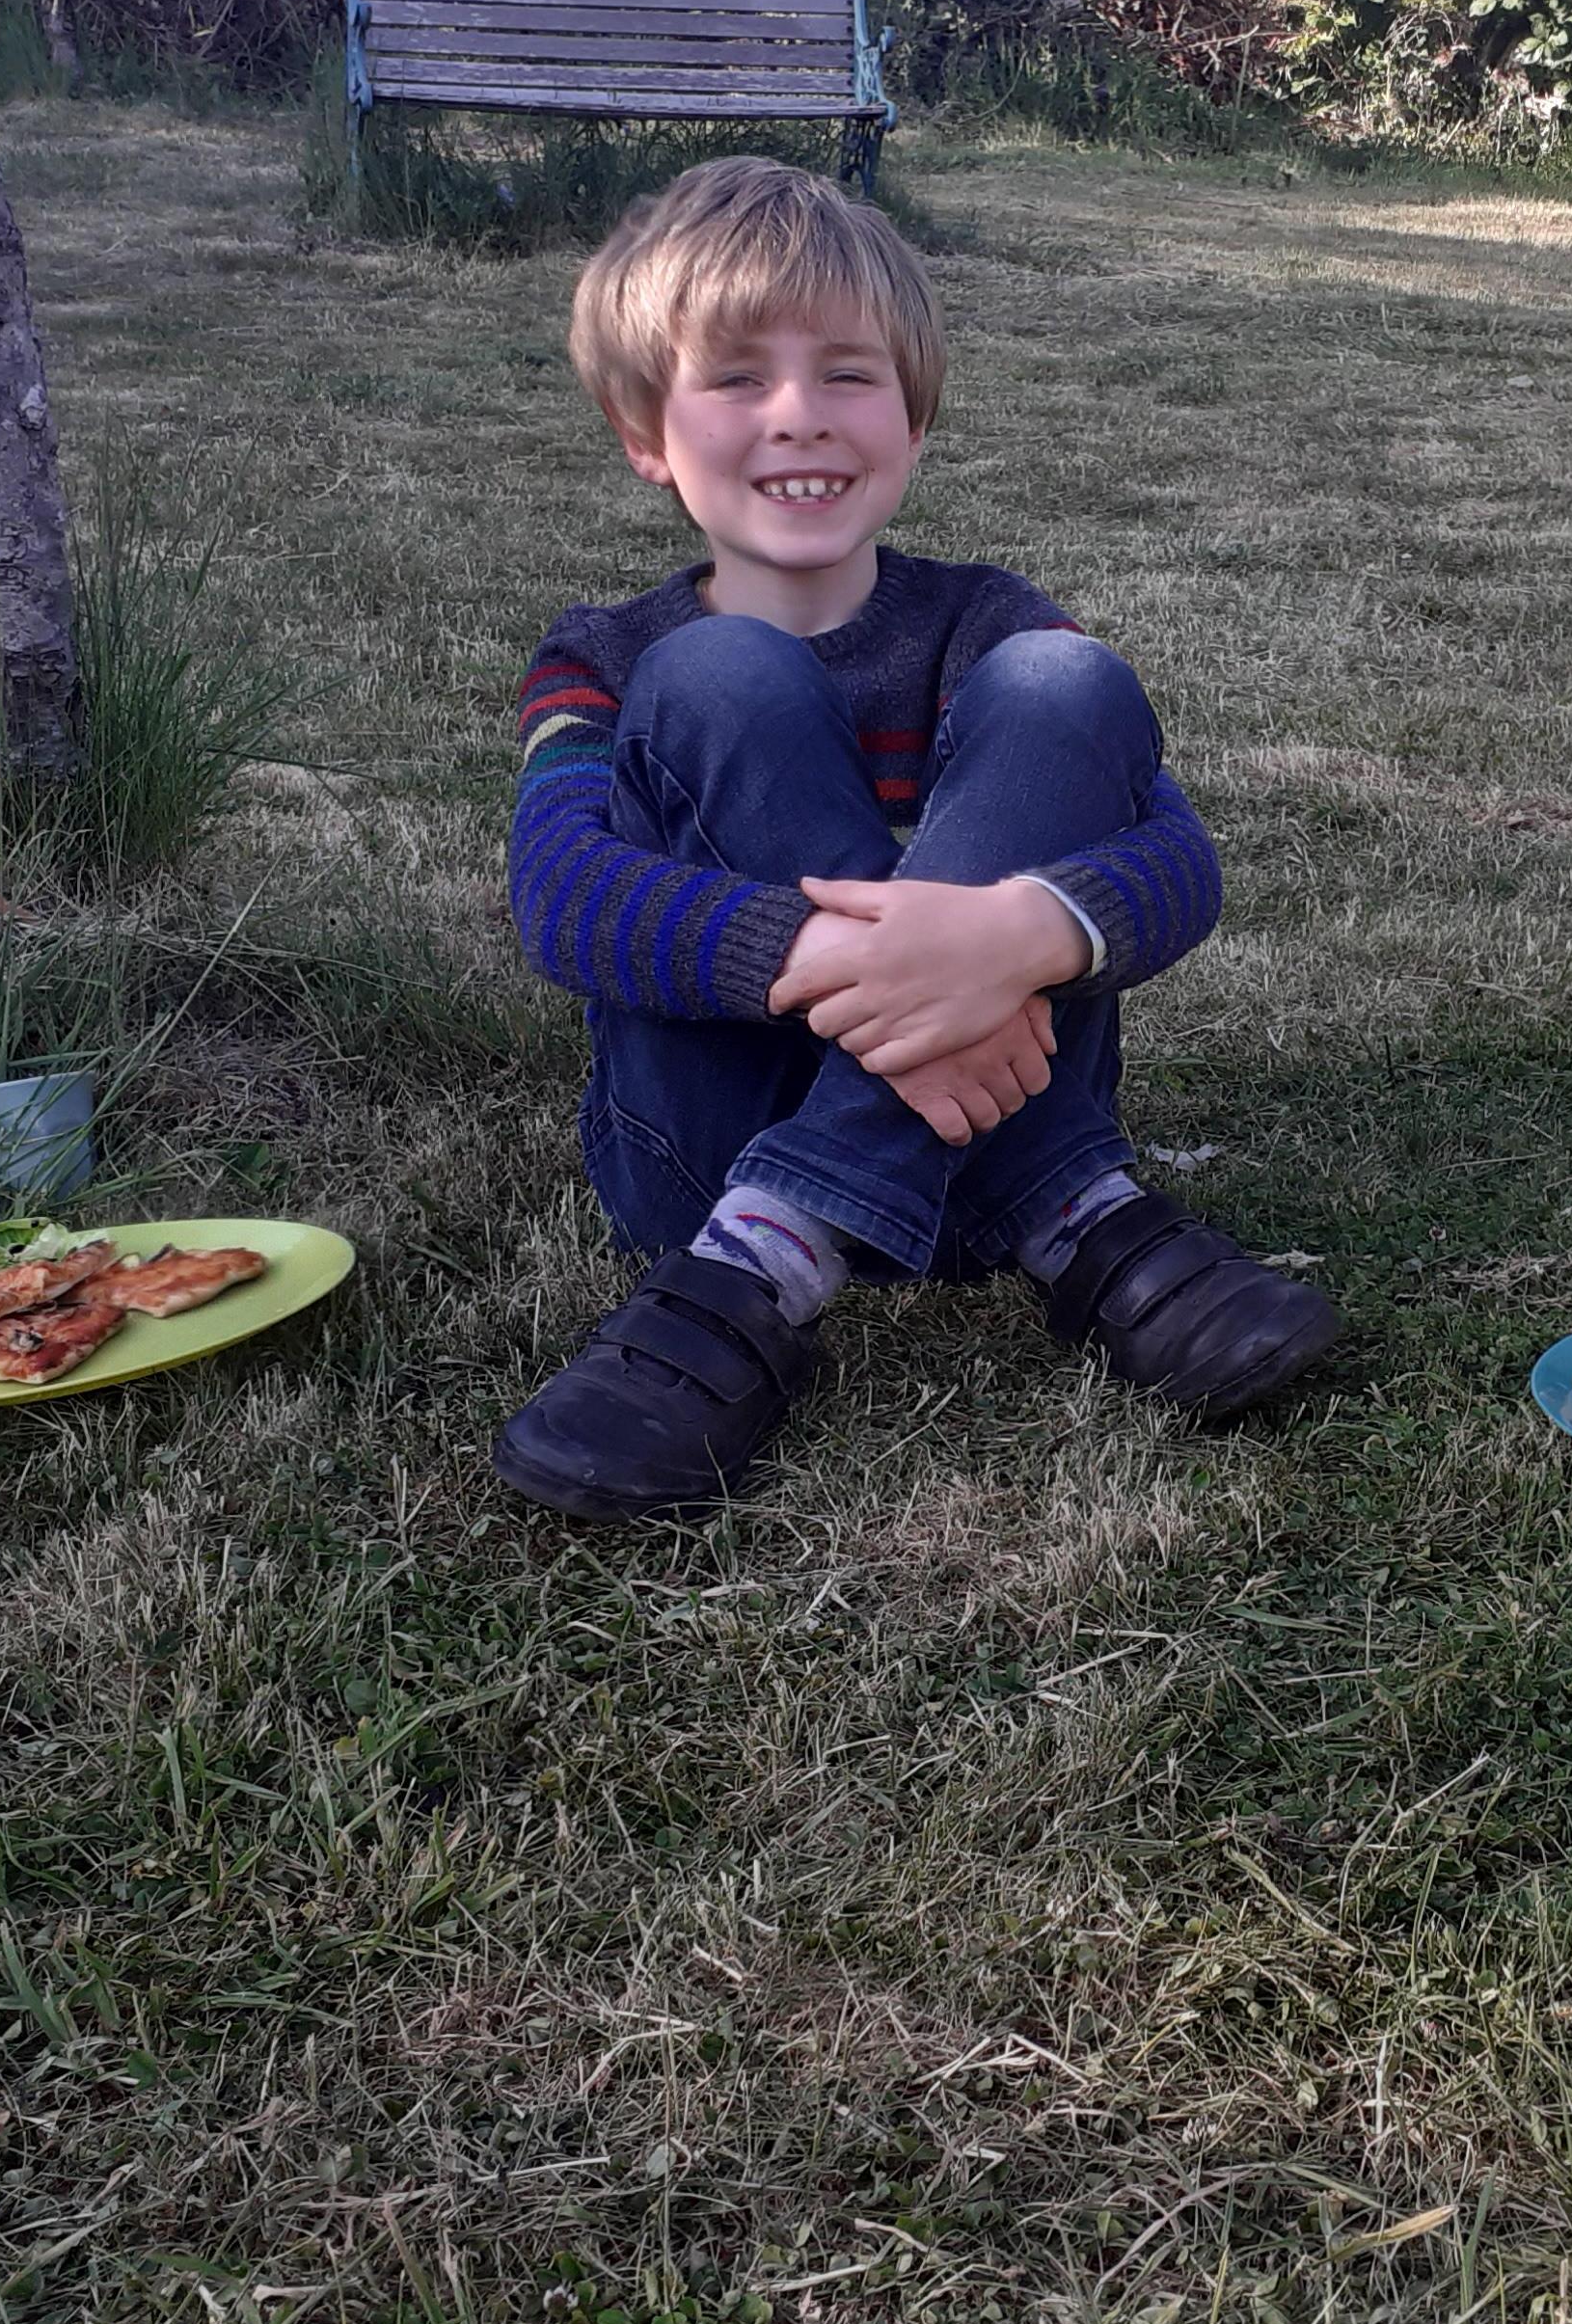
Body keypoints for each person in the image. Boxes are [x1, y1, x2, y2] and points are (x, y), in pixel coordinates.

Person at [491, 157, 1338, 1518]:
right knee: (724, 674)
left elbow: (1181, 866)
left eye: (848, 373)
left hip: (960, 1193)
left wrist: (1015, 933)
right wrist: (853, 958)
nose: (799, 415)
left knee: (1070, 687)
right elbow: (560, 894)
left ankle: (771, 1256)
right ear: (644, 429)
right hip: (707, 1160)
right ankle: (1068, 1217)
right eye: (737, 378)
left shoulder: (994, 624)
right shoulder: (604, 656)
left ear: (915, 414)